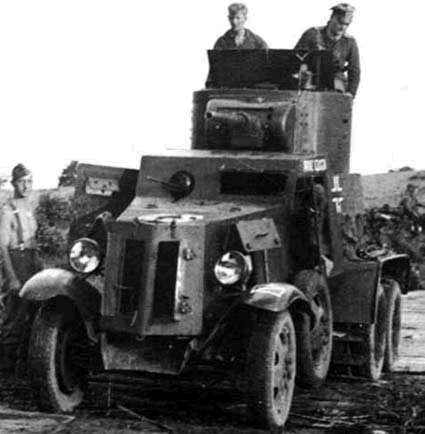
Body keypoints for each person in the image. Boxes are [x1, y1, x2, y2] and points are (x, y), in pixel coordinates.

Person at [0, 164, 42, 371]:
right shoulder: (8, 210)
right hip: (17, 261)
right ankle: (5, 370)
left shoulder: (29, 208)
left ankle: (22, 366)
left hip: (32, 261)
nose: (26, 186)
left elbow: (33, 241)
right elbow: (2, 246)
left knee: (33, 312)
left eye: (29, 181)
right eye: (22, 181)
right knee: (14, 315)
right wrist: (12, 277)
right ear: (14, 183)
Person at [294, 3, 360, 97]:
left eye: (346, 24)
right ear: (332, 18)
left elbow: (354, 70)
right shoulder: (312, 34)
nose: (342, 27)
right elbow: (295, 60)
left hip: (336, 85)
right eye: (340, 22)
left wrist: (351, 93)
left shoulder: (349, 42)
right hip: (310, 83)